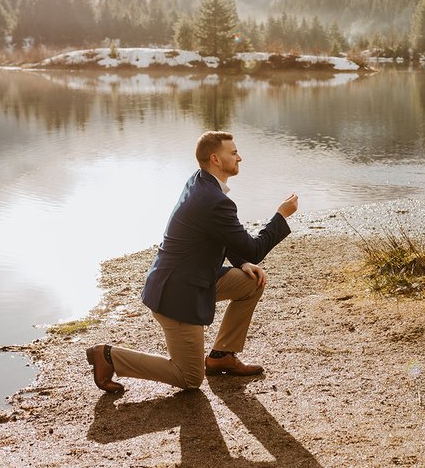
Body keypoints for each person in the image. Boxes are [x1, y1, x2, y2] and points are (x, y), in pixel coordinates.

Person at [85, 130, 299, 393]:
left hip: (192, 278)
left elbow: (224, 236)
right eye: (233, 153)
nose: (240, 158)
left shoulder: (201, 182)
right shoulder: (214, 201)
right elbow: (255, 249)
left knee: (250, 282)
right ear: (215, 159)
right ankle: (108, 356)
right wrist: (281, 216)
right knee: (189, 379)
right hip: (177, 294)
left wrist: (242, 262)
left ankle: (222, 356)